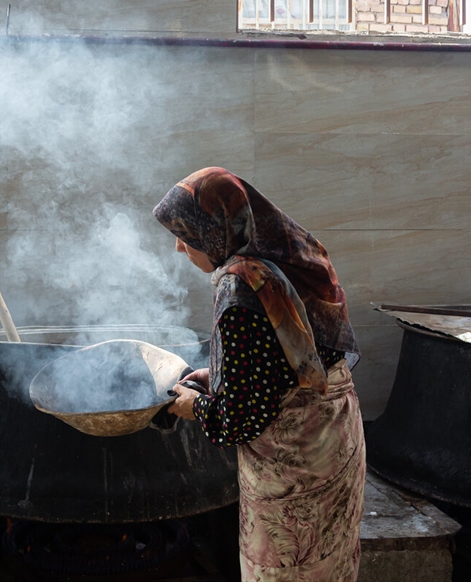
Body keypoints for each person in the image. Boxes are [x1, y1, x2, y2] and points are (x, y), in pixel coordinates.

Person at [154, 167, 365, 581]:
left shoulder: (239, 288)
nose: (180, 248)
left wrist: (192, 405)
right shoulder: (287, 254)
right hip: (336, 438)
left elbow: (238, 421)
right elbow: (288, 361)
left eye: (187, 234)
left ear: (216, 229)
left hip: (295, 468)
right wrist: (221, 376)